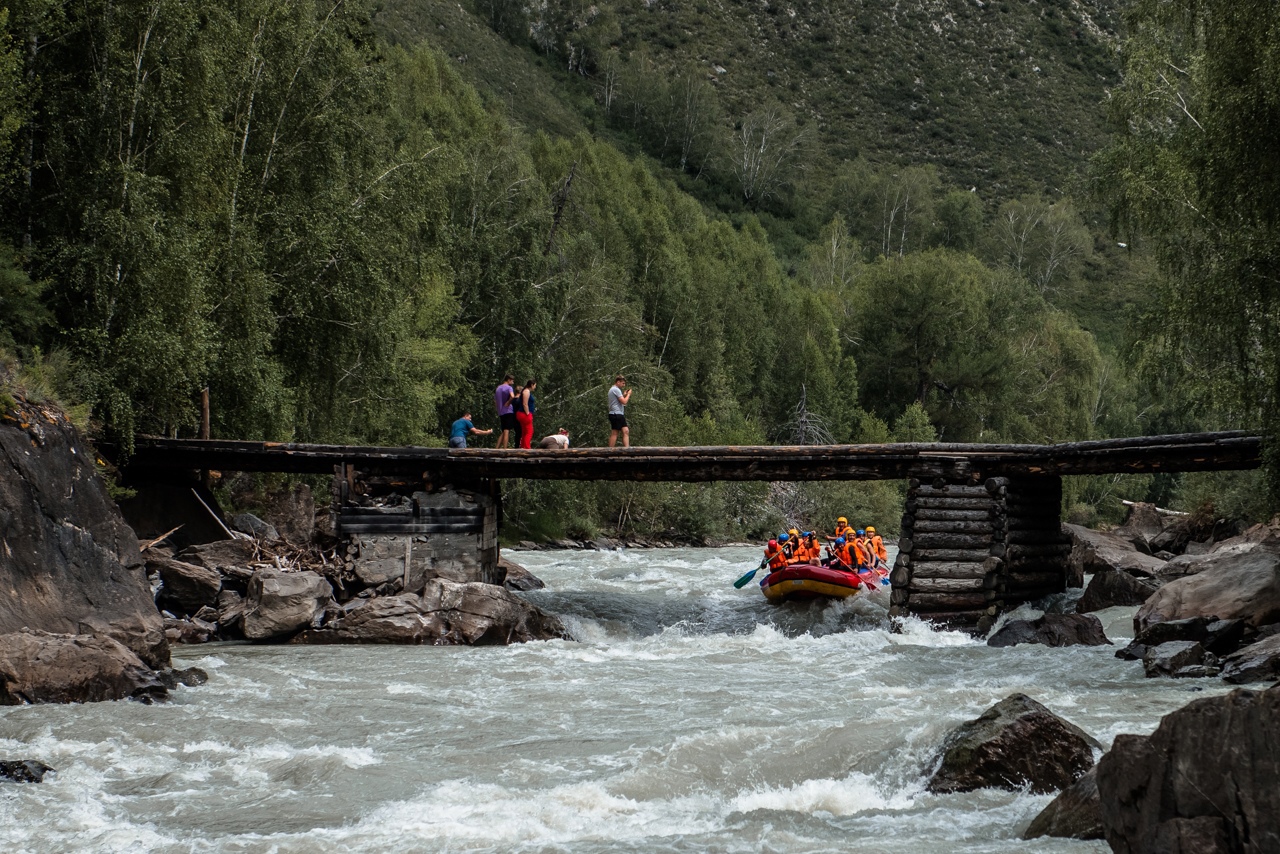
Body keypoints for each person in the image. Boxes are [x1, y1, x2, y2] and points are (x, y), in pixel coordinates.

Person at [607, 374, 632, 448]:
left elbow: (618, 401)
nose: (624, 385)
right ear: (618, 382)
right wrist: (628, 395)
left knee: (626, 431)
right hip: (616, 414)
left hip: (618, 414)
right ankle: (610, 450)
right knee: (615, 433)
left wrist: (623, 395)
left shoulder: (614, 390)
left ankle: (627, 448)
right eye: (623, 383)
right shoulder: (616, 389)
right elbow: (624, 402)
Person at [494, 374, 516, 449]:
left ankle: (497, 448)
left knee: (503, 431)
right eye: (512, 381)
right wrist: (508, 402)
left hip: (501, 411)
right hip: (508, 411)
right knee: (507, 431)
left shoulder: (498, 388)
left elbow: (495, 401)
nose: (513, 382)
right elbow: (512, 396)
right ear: (509, 380)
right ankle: (505, 449)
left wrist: (498, 408)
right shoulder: (509, 388)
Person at [516, 379, 537, 449]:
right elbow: (525, 404)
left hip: (522, 414)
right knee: (529, 431)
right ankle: (527, 447)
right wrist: (528, 414)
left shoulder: (525, 391)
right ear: (532, 385)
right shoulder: (526, 391)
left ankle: (523, 446)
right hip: (524, 414)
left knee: (524, 431)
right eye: (535, 385)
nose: (535, 387)